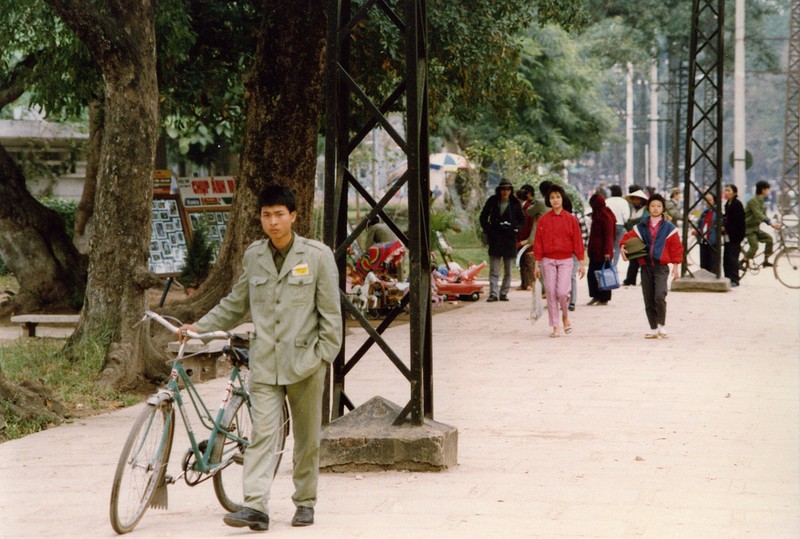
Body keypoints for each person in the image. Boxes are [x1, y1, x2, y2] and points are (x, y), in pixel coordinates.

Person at [180, 185, 342, 531]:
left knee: (307, 438)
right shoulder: (254, 255)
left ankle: (305, 501)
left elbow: (332, 317)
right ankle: (255, 506)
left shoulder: (317, 256)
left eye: (279, 214)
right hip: (266, 363)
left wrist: (322, 357)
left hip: (306, 364)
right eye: (266, 215)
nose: (272, 221)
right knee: (262, 435)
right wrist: (201, 328)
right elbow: (235, 303)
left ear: (294, 216)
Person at [620, 194, 683, 339]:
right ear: (648, 207)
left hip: (661, 268)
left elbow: (676, 248)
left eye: (659, 206)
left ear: (663, 208)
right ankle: (653, 328)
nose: (655, 208)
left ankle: (662, 325)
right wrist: (622, 247)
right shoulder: (640, 227)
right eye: (653, 206)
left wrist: (676, 266)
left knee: (659, 295)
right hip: (645, 267)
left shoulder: (669, 228)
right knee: (648, 298)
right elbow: (626, 239)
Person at [533, 184, 586, 337]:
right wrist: (536, 264)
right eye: (552, 198)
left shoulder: (571, 219)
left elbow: (577, 242)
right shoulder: (543, 220)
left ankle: (565, 316)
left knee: (562, 292)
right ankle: (555, 326)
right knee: (550, 292)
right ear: (548, 200)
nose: (555, 200)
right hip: (548, 260)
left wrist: (581, 263)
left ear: (562, 199)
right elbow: (538, 242)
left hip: (566, 260)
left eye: (558, 197)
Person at [480, 177, 525, 302]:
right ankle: (493, 293)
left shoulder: (515, 203)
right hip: (495, 238)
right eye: (503, 189)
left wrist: (515, 228)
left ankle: (504, 293)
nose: (505, 192)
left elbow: (522, 221)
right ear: (499, 190)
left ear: (511, 190)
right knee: (494, 268)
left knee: (509, 270)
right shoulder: (493, 201)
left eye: (508, 189)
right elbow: (483, 217)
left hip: (510, 238)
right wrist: (489, 229)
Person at [586, 193, 616, 305]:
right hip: (595, 251)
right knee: (592, 275)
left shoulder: (606, 216)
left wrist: (607, 252)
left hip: (603, 252)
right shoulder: (596, 215)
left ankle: (604, 298)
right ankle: (595, 295)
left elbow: (609, 236)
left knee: (604, 275)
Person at [743, 180, 781, 267]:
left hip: (756, 228)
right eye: (768, 189)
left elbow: (764, 215)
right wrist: (770, 223)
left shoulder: (761, 201)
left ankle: (766, 261)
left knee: (769, 239)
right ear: (763, 190)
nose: (769, 191)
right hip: (749, 229)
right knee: (754, 247)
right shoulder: (753, 201)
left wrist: (772, 223)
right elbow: (758, 214)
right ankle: (742, 261)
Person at [622, 189, 649, 286]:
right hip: (633, 238)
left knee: (644, 260)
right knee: (633, 260)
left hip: (644, 238)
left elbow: (644, 220)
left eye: (638, 199)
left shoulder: (646, 210)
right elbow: (627, 222)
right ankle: (630, 280)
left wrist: (633, 221)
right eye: (634, 199)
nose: (636, 201)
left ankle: (645, 280)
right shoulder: (632, 210)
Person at [722, 184, 745, 287]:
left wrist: (726, 227)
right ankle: (728, 277)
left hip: (735, 236)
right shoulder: (727, 204)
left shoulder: (737, 204)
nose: (726, 193)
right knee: (726, 258)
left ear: (734, 193)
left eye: (728, 191)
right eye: (725, 190)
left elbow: (737, 222)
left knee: (733, 258)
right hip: (727, 236)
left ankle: (735, 279)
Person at [604, 185, 630, 269]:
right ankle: (614, 265)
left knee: (609, 245)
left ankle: (608, 263)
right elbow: (626, 216)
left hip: (608, 225)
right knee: (617, 246)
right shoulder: (623, 202)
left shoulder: (607, 201)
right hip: (619, 225)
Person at [694, 193, 719, 274]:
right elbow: (699, 224)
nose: (707, 202)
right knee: (704, 263)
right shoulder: (705, 212)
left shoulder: (717, 212)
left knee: (712, 262)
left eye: (710, 200)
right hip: (703, 240)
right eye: (706, 200)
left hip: (712, 241)